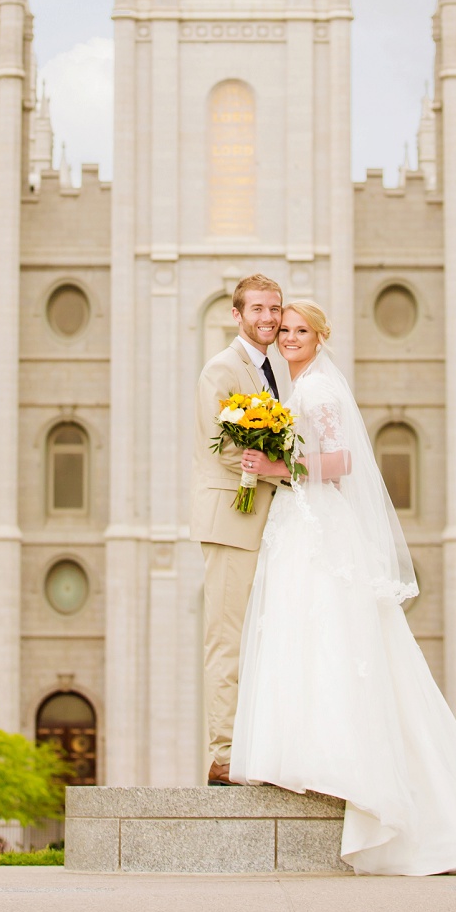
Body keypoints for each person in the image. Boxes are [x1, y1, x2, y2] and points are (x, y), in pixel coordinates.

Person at [230, 301, 456, 876]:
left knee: (331, 637)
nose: (289, 337)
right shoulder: (299, 388)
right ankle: (307, 756)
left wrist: (275, 468)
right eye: (283, 329)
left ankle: (344, 765)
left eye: (300, 330)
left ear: (320, 336)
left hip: (317, 523)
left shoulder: (320, 393)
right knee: (303, 633)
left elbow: (339, 462)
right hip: (299, 521)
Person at [189, 273, 284, 785]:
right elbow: (220, 448)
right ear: (237, 314)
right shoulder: (221, 370)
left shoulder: (274, 372)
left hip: (267, 524)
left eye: (275, 309)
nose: (268, 318)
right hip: (231, 519)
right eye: (258, 310)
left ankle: (255, 747)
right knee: (226, 641)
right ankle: (223, 756)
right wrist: (284, 465)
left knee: (260, 641)